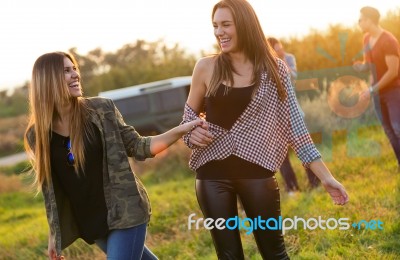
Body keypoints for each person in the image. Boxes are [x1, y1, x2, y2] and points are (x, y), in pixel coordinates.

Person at [180, 0, 349, 259]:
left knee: (275, 253)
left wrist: (325, 177)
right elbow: (188, 118)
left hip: (257, 172)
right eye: (215, 26)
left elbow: (295, 125)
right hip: (211, 174)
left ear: (245, 25)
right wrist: (192, 134)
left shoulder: (274, 69)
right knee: (229, 256)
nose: (219, 32)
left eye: (226, 24)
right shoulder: (205, 67)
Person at [23, 52, 203, 260]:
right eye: (66, 71)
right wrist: (54, 233)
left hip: (125, 212)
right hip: (92, 223)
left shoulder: (101, 110)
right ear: (47, 80)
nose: (75, 75)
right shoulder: (37, 135)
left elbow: (139, 146)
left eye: (74, 69)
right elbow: (55, 190)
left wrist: (181, 129)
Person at [267, 37, 320, 192]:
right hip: (275, 117)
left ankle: (315, 182)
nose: (281, 49)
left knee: (305, 147)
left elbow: (293, 77)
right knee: (282, 155)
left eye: (281, 46)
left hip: (293, 111)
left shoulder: (288, 59)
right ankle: (292, 188)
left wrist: (281, 60)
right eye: (277, 48)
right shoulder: (264, 65)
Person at [353, 6, 400, 172]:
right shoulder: (366, 39)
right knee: (389, 132)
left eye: (360, 20)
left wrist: (372, 90)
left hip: (394, 92)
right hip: (377, 94)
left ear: (369, 20)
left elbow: (393, 71)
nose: (358, 23)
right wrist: (362, 67)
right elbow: (370, 65)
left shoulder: (389, 41)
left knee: (398, 129)